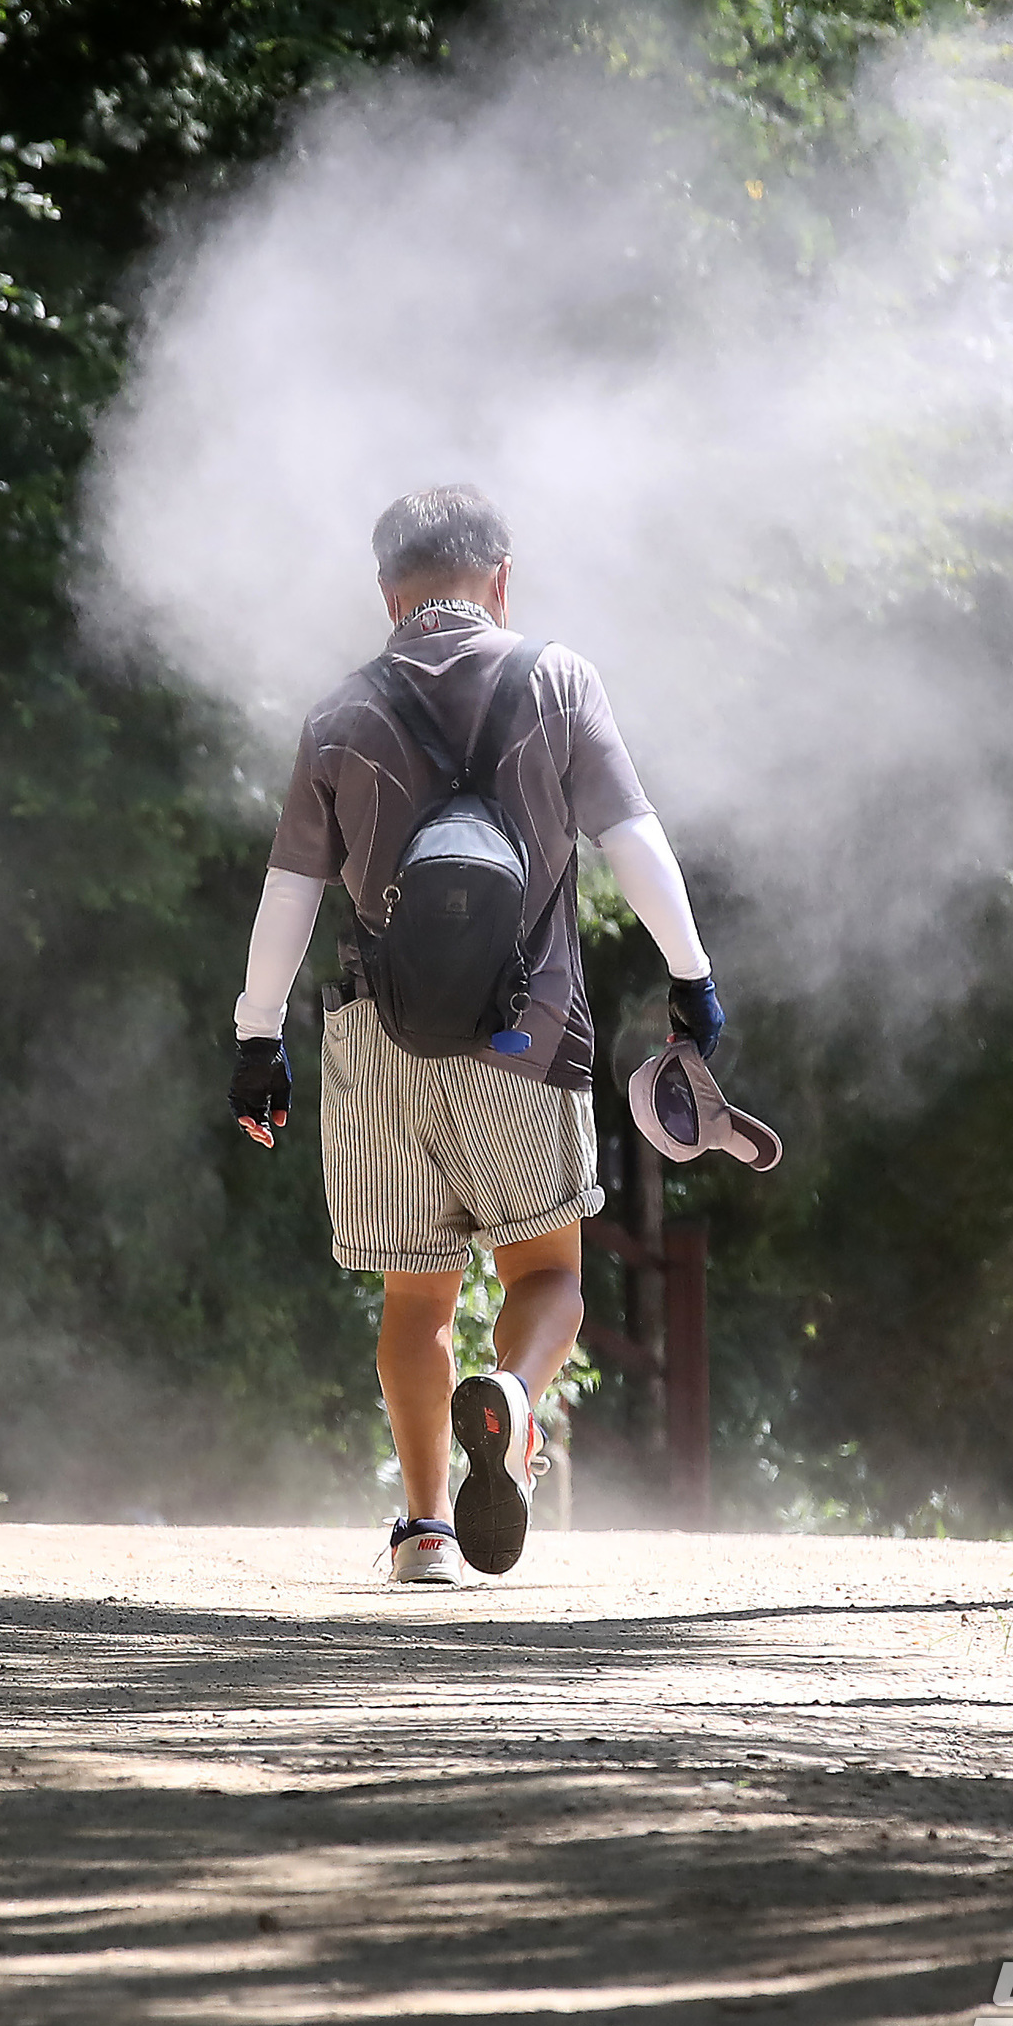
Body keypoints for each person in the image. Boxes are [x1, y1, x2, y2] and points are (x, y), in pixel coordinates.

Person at [229, 486, 723, 1584]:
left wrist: (256, 1042)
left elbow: (286, 896)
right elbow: (632, 840)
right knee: (548, 1271)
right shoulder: (558, 680)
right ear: (500, 579)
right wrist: (690, 976)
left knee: (417, 1293)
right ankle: (511, 1392)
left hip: (378, 1041)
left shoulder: (338, 713)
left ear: (384, 590)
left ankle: (423, 1532)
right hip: (528, 1035)